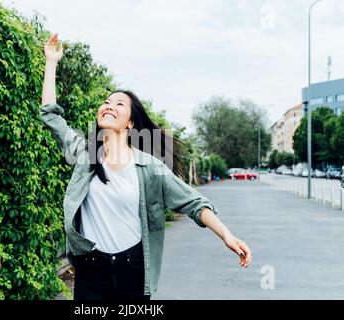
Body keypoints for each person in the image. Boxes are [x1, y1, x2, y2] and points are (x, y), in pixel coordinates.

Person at [41, 33, 252, 300]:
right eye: (106, 101)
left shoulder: (150, 168)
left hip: (133, 269)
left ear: (130, 123)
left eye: (119, 104)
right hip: (91, 269)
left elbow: (195, 203)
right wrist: (51, 62)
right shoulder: (85, 155)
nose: (109, 106)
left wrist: (227, 236)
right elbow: (51, 116)